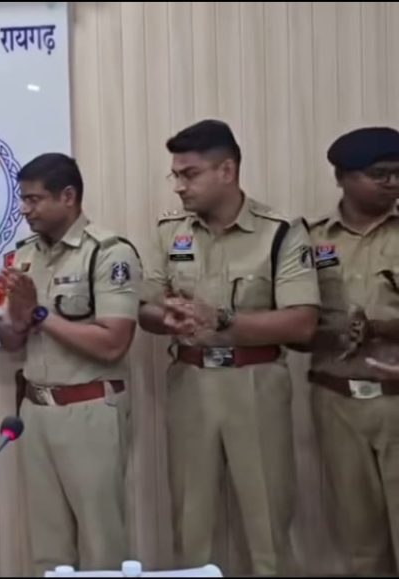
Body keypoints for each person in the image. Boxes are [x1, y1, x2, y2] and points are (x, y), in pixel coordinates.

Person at [138, 120, 320, 575]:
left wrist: (221, 319)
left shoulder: (280, 232)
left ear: (226, 170)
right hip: (190, 382)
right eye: (175, 174)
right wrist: (167, 317)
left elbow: (302, 323)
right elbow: (145, 308)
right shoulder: (168, 231)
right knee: (190, 526)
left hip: (255, 385)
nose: (179, 186)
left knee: (267, 527)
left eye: (190, 174)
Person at [0, 153, 139, 574]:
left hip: (89, 409)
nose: (25, 210)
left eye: (34, 199)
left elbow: (113, 343)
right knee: (48, 546)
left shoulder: (108, 253)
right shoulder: (24, 255)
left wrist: (39, 314)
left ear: (68, 196)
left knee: (101, 542)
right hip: (35, 410)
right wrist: (16, 318)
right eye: (23, 199)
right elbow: (10, 342)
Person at [302, 127, 399, 575]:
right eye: (380, 174)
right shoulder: (308, 239)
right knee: (361, 544)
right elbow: (293, 321)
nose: (392, 183)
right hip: (337, 401)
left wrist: (377, 327)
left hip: (396, 400)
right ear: (342, 177)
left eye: (398, 173)